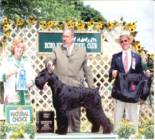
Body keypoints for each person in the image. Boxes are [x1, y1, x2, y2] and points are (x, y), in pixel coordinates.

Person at [45, 28, 95, 132]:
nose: (64, 38)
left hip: (76, 87)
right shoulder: (56, 49)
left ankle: (75, 135)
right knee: (61, 114)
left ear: (73, 38)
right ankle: (62, 133)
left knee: (74, 116)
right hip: (60, 89)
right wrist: (49, 62)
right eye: (63, 36)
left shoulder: (82, 50)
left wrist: (91, 88)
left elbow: (87, 69)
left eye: (67, 36)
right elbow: (49, 58)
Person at [109, 31, 150, 131]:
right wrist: (113, 72)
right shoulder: (115, 57)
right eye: (121, 41)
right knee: (118, 114)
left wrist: (146, 74)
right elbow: (111, 70)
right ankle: (116, 134)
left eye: (125, 40)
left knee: (133, 114)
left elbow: (141, 74)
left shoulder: (137, 57)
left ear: (129, 41)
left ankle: (135, 134)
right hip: (119, 89)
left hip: (132, 90)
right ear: (120, 43)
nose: (124, 43)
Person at [0, 36, 34, 105]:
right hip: (10, 98)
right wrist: (10, 73)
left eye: (22, 48)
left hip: (24, 98)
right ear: (13, 47)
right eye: (18, 47)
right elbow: (1, 77)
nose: (20, 49)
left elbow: (32, 78)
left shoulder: (27, 61)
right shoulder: (6, 60)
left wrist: (30, 83)